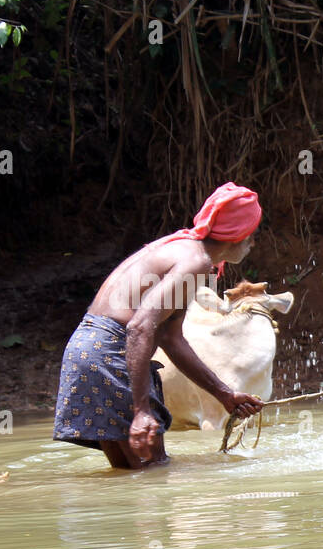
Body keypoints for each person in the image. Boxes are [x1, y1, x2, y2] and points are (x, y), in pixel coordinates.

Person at [53, 182, 267, 469]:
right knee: (152, 473)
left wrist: (224, 395)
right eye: (252, 235)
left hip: (86, 350)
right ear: (238, 235)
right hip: (111, 355)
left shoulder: (182, 250)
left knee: (133, 475)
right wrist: (141, 410)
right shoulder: (196, 262)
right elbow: (140, 327)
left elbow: (170, 338)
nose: (253, 244)